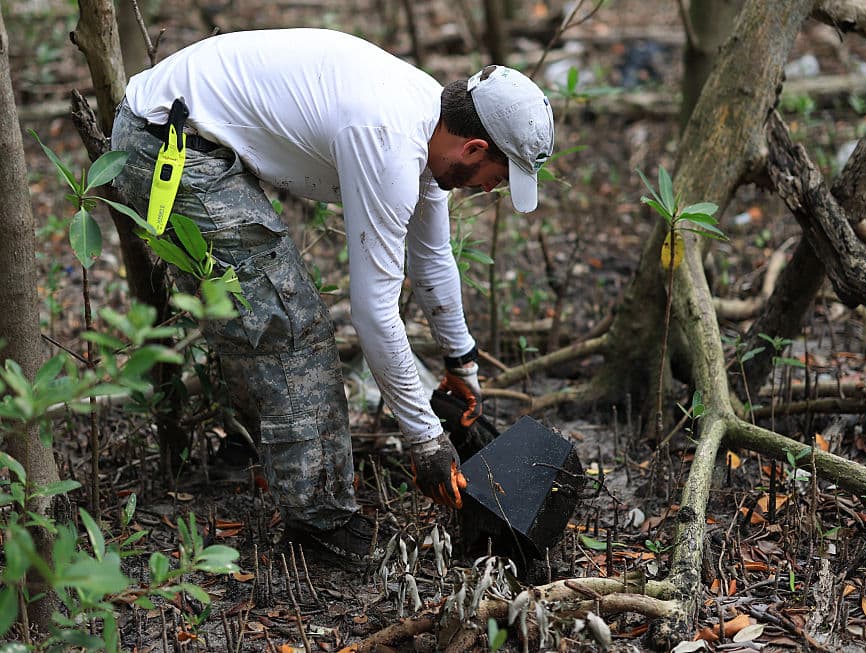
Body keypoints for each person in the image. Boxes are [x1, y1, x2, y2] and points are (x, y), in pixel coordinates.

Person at [110, 28, 555, 559]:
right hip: (167, 143)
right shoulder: (389, 139)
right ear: (475, 146)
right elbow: (374, 314)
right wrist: (426, 441)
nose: (490, 191)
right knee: (291, 327)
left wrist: (463, 365)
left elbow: (433, 257)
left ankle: (246, 449)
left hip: (192, 132)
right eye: (495, 177)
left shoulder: (429, 124)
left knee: (263, 305)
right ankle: (319, 527)